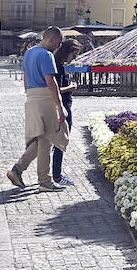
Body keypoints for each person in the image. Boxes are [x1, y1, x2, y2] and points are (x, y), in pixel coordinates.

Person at [7, 26, 69, 192]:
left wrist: (29, 94)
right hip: (44, 99)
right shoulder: (46, 55)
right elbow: (51, 83)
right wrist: (60, 106)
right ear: (51, 39)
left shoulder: (29, 52)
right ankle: (44, 181)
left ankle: (19, 170)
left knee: (41, 139)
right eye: (59, 42)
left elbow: (25, 77)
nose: (60, 46)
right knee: (48, 138)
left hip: (32, 98)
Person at [50, 39, 82, 186]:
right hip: (62, 106)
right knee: (60, 141)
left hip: (64, 105)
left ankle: (54, 173)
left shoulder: (60, 65)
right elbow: (54, 89)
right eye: (73, 55)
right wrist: (70, 88)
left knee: (58, 141)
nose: (74, 58)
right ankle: (57, 175)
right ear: (67, 52)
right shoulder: (57, 66)